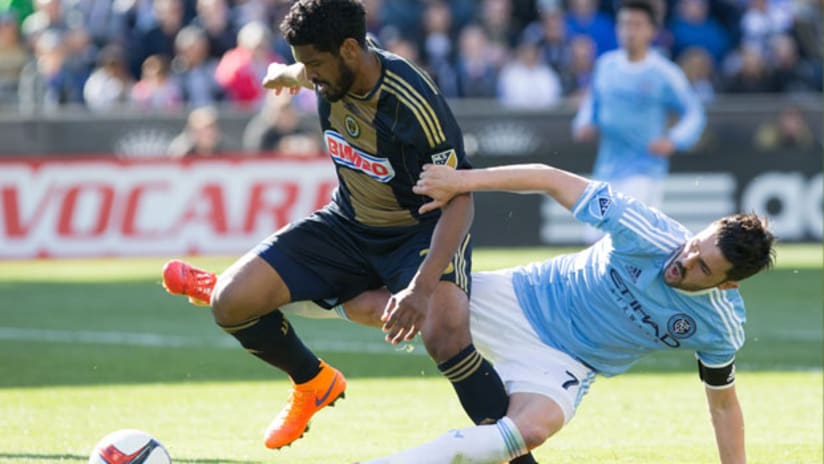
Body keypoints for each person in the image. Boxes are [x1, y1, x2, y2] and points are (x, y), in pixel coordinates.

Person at [162, 2, 536, 462]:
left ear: (350, 49)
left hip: (418, 232)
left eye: (315, 64)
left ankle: (519, 458)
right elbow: (306, 71)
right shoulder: (329, 69)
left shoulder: (411, 101)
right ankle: (312, 381)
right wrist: (284, 72)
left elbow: (460, 198)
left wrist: (420, 289)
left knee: (445, 333)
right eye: (306, 64)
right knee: (231, 302)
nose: (312, 76)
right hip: (348, 224)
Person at [311, 162, 770, 463]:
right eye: (693, 246)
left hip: (568, 363)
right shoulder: (647, 231)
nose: (682, 261)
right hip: (523, 297)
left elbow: (724, 407)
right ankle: (273, 305)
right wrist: (462, 181)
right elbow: (551, 178)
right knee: (381, 305)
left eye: (701, 267)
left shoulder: (720, 326)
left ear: (726, 284)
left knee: (532, 429)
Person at [573, 0, 705, 240]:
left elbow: (694, 113)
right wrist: (583, 123)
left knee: (626, 238)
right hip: (606, 168)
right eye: (624, 24)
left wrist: (675, 140)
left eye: (637, 25)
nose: (629, 31)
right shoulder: (605, 66)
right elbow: (592, 103)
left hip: (644, 170)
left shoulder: (664, 72)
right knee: (592, 240)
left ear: (651, 31)